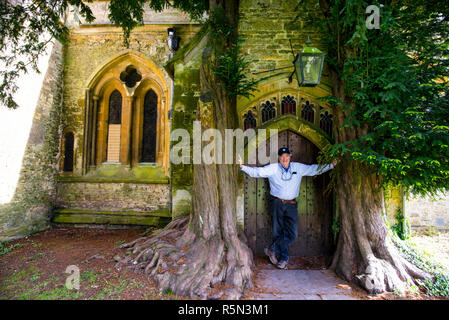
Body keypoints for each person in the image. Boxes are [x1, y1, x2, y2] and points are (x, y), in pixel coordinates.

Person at [238, 147, 337, 269]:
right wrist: (242, 167)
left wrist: (331, 165)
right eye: (282, 156)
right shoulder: (273, 168)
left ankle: (272, 249)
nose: (285, 159)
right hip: (277, 203)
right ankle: (283, 259)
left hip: (291, 204)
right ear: (279, 158)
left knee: (292, 234)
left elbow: (314, 169)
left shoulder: (298, 167)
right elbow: (257, 172)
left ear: (290, 157)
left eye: (287, 156)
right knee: (277, 232)